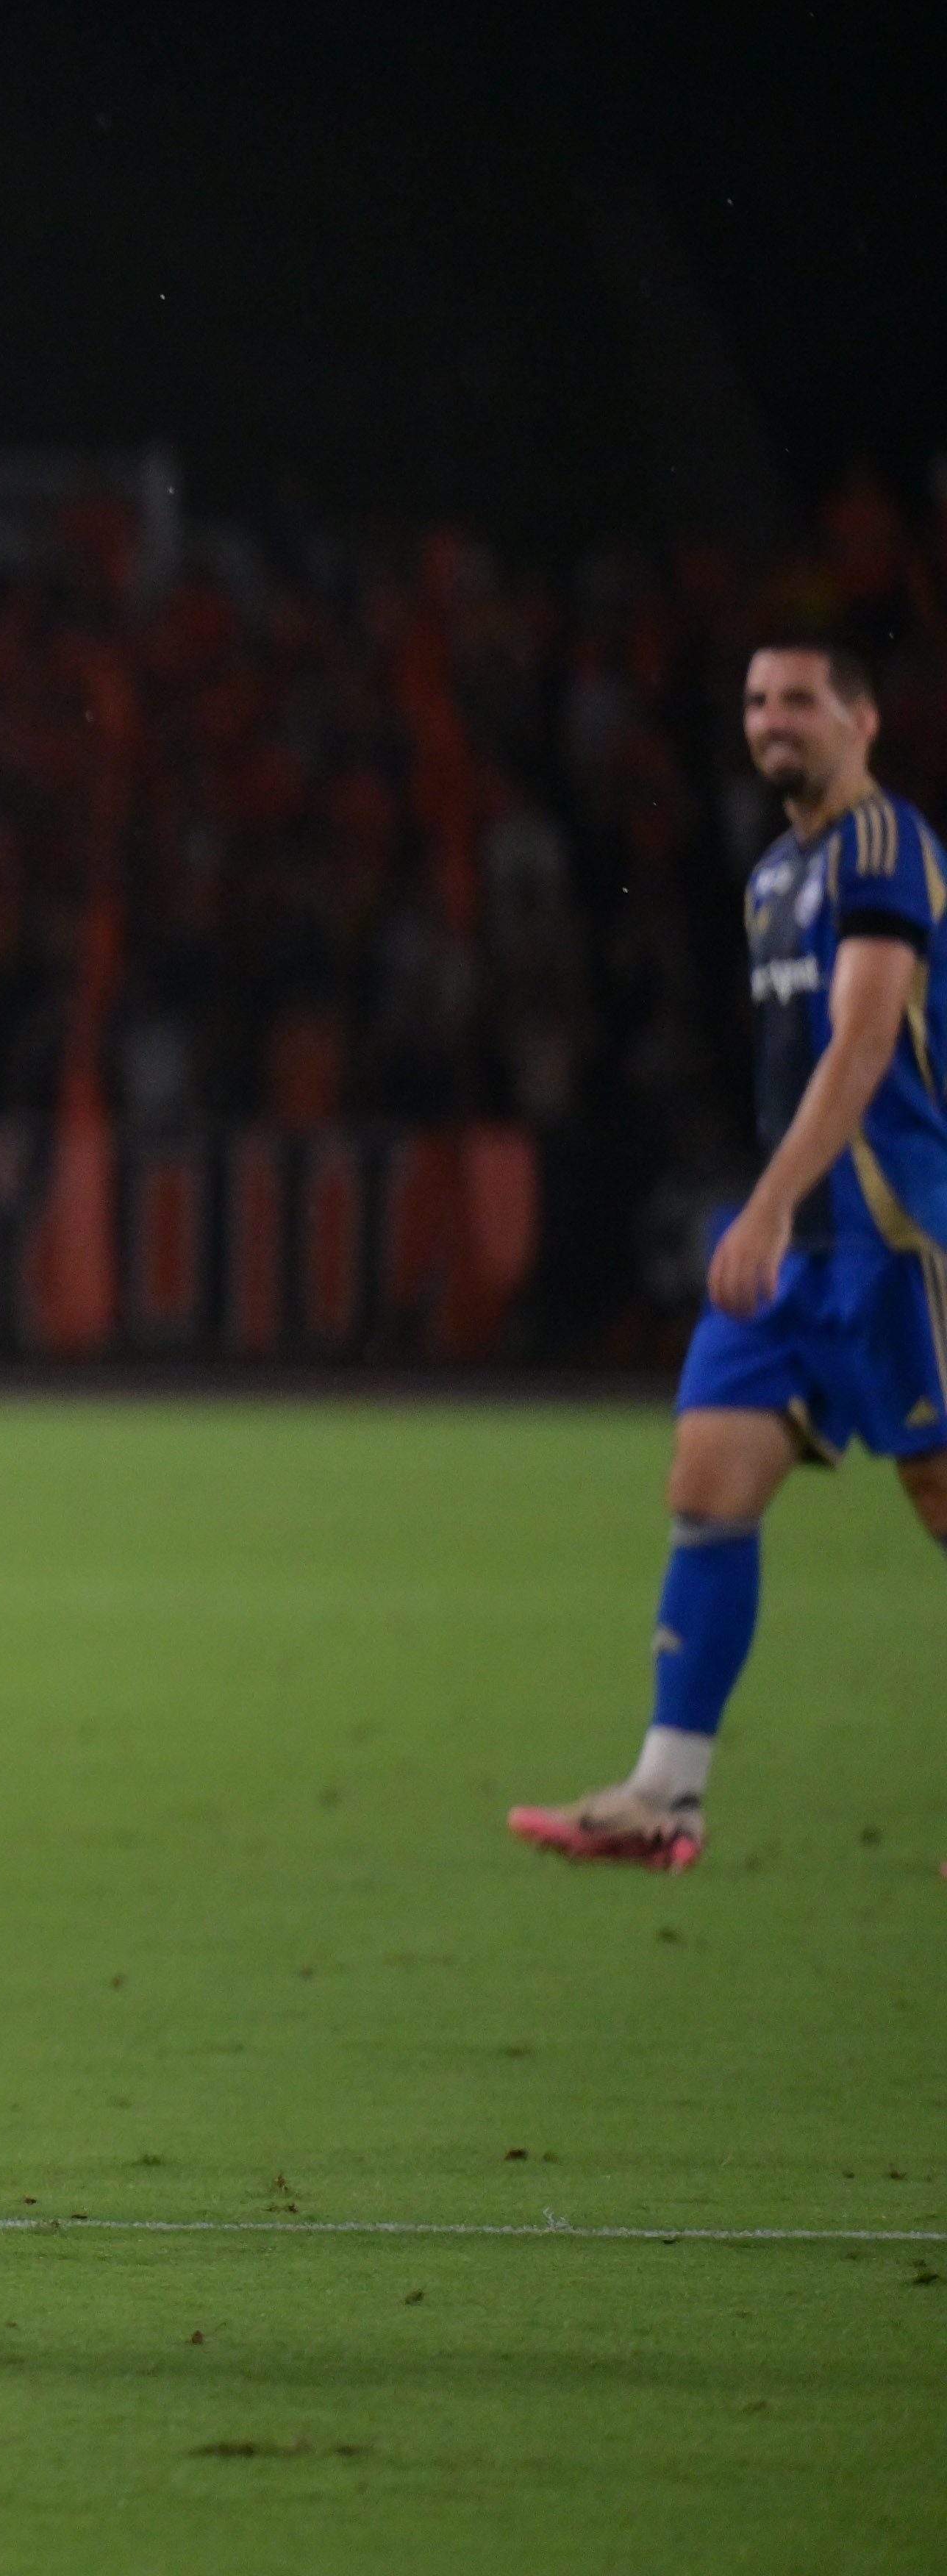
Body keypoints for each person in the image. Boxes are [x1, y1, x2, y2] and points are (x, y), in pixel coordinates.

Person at [512, 641, 947, 1875]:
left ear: (861, 719)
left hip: (897, 1236)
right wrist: (775, 1216)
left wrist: (761, 1206)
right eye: (757, 702)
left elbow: (864, 1042)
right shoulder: (771, 877)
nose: (773, 721)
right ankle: (666, 1792)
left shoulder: (883, 847)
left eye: (799, 701)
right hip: (798, 1248)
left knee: (938, 1497)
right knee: (708, 1478)